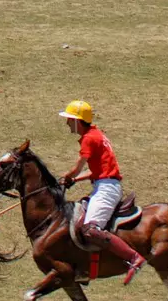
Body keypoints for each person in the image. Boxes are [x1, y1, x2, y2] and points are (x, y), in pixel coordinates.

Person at [56, 101, 144, 280]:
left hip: (107, 188)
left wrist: (65, 178)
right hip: (104, 185)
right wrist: (74, 180)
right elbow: (95, 171)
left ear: (77, 121)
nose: (67, 123)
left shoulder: (89, 139)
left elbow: (77, 168)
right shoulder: (96, 135)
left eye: (70, 119)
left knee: (90, 229)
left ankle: (133, 257)